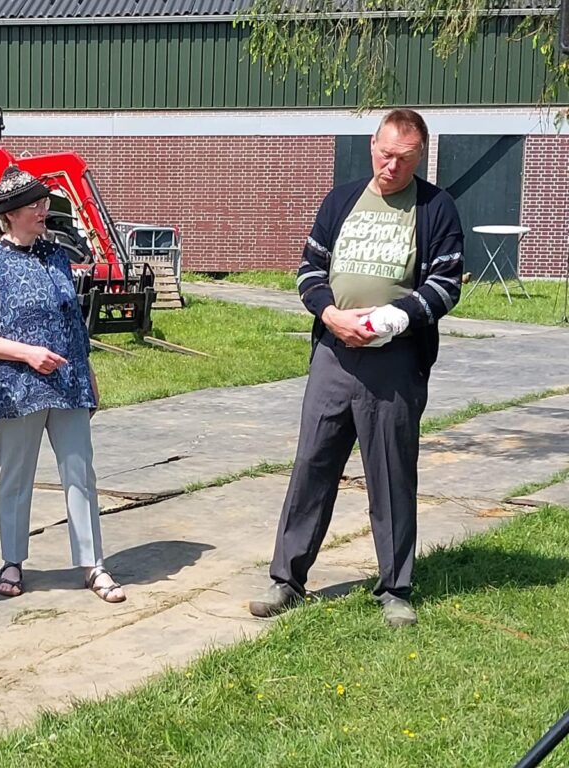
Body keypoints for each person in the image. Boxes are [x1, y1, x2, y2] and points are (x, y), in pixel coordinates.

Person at [249, 109, 464, 628]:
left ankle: (395, 588)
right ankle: (287, 580)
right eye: (386, 154)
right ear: (372, 145)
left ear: (420, 156)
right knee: (312, 465)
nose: (392, 166)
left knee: (391, 473)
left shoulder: (436, 208)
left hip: (395, 360)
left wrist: (393, 317)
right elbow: (309, 270)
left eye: (405, 159)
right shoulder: (341, 201)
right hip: (333, 353)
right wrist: (330, 314)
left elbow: (445, 285)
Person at [0, 165, 126, 604]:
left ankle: (93, 564)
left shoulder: (56, 255)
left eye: (44, 202)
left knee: (80, 474)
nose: (43, 210)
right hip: (17, 391)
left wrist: (88, 374)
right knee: (16, 479)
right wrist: (27, 354)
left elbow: (74, 322)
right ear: (10, 214)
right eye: (34, 204)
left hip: (68, 385)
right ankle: (12, 561)